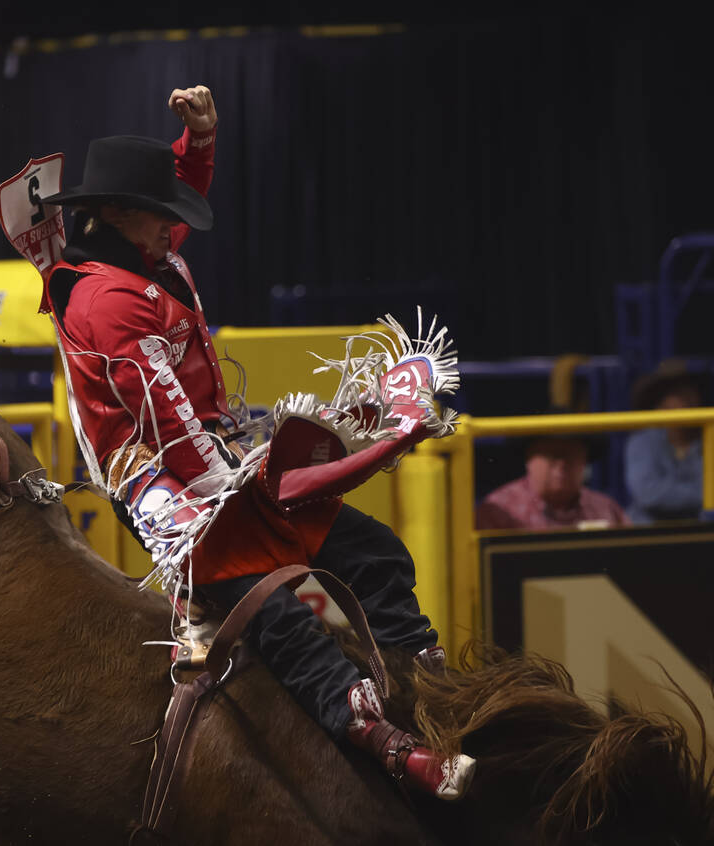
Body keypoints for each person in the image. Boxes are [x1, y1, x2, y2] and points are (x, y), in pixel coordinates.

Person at [31, 85, 474, 800]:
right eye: (158, 216)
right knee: (271, 614)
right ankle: (382, 741)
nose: (171, 228)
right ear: (117, 214)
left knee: (373, 553)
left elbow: (182, 192)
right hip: (164, 485)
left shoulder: (134, 251)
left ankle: (431, 687)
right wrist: (250, 495)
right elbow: (170, 427)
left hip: (216, 455)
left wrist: (198, 141)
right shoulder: (105, 301)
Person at [476, 428, 628, 530]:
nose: (561, 463)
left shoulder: (607, 509)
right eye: (552, 454)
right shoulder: (498, 510)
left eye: (570, 454)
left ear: (585, 460)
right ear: (528, 459)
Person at [624, 360, 704, 524]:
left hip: (700, 532)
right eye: (678, 394)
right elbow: (649, 494)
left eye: (690, 391)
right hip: (651, 532)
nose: (688, 400)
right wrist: (702, 494)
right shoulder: (642, 442)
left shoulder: (709, 438)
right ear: (660, 404)